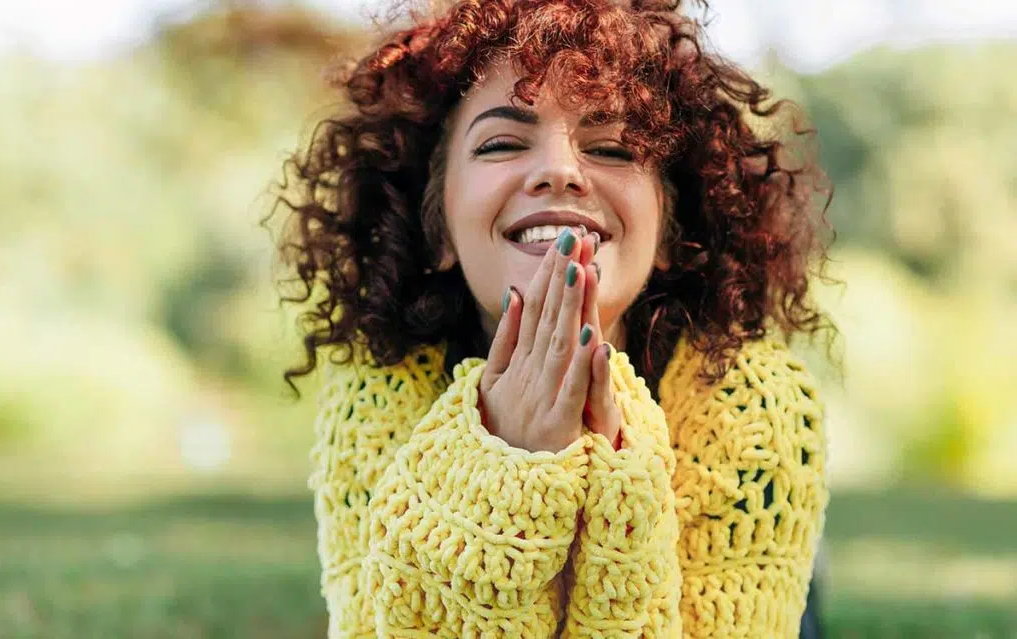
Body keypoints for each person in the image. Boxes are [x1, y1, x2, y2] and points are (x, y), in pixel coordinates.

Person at [271, 0, 835, 636]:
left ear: (673, 230)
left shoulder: (755, 405)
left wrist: (622, 489)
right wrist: (504, 473)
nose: (561, 172)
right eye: (504, 142)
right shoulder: (375, 398)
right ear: (437, 229)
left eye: (614, 149)